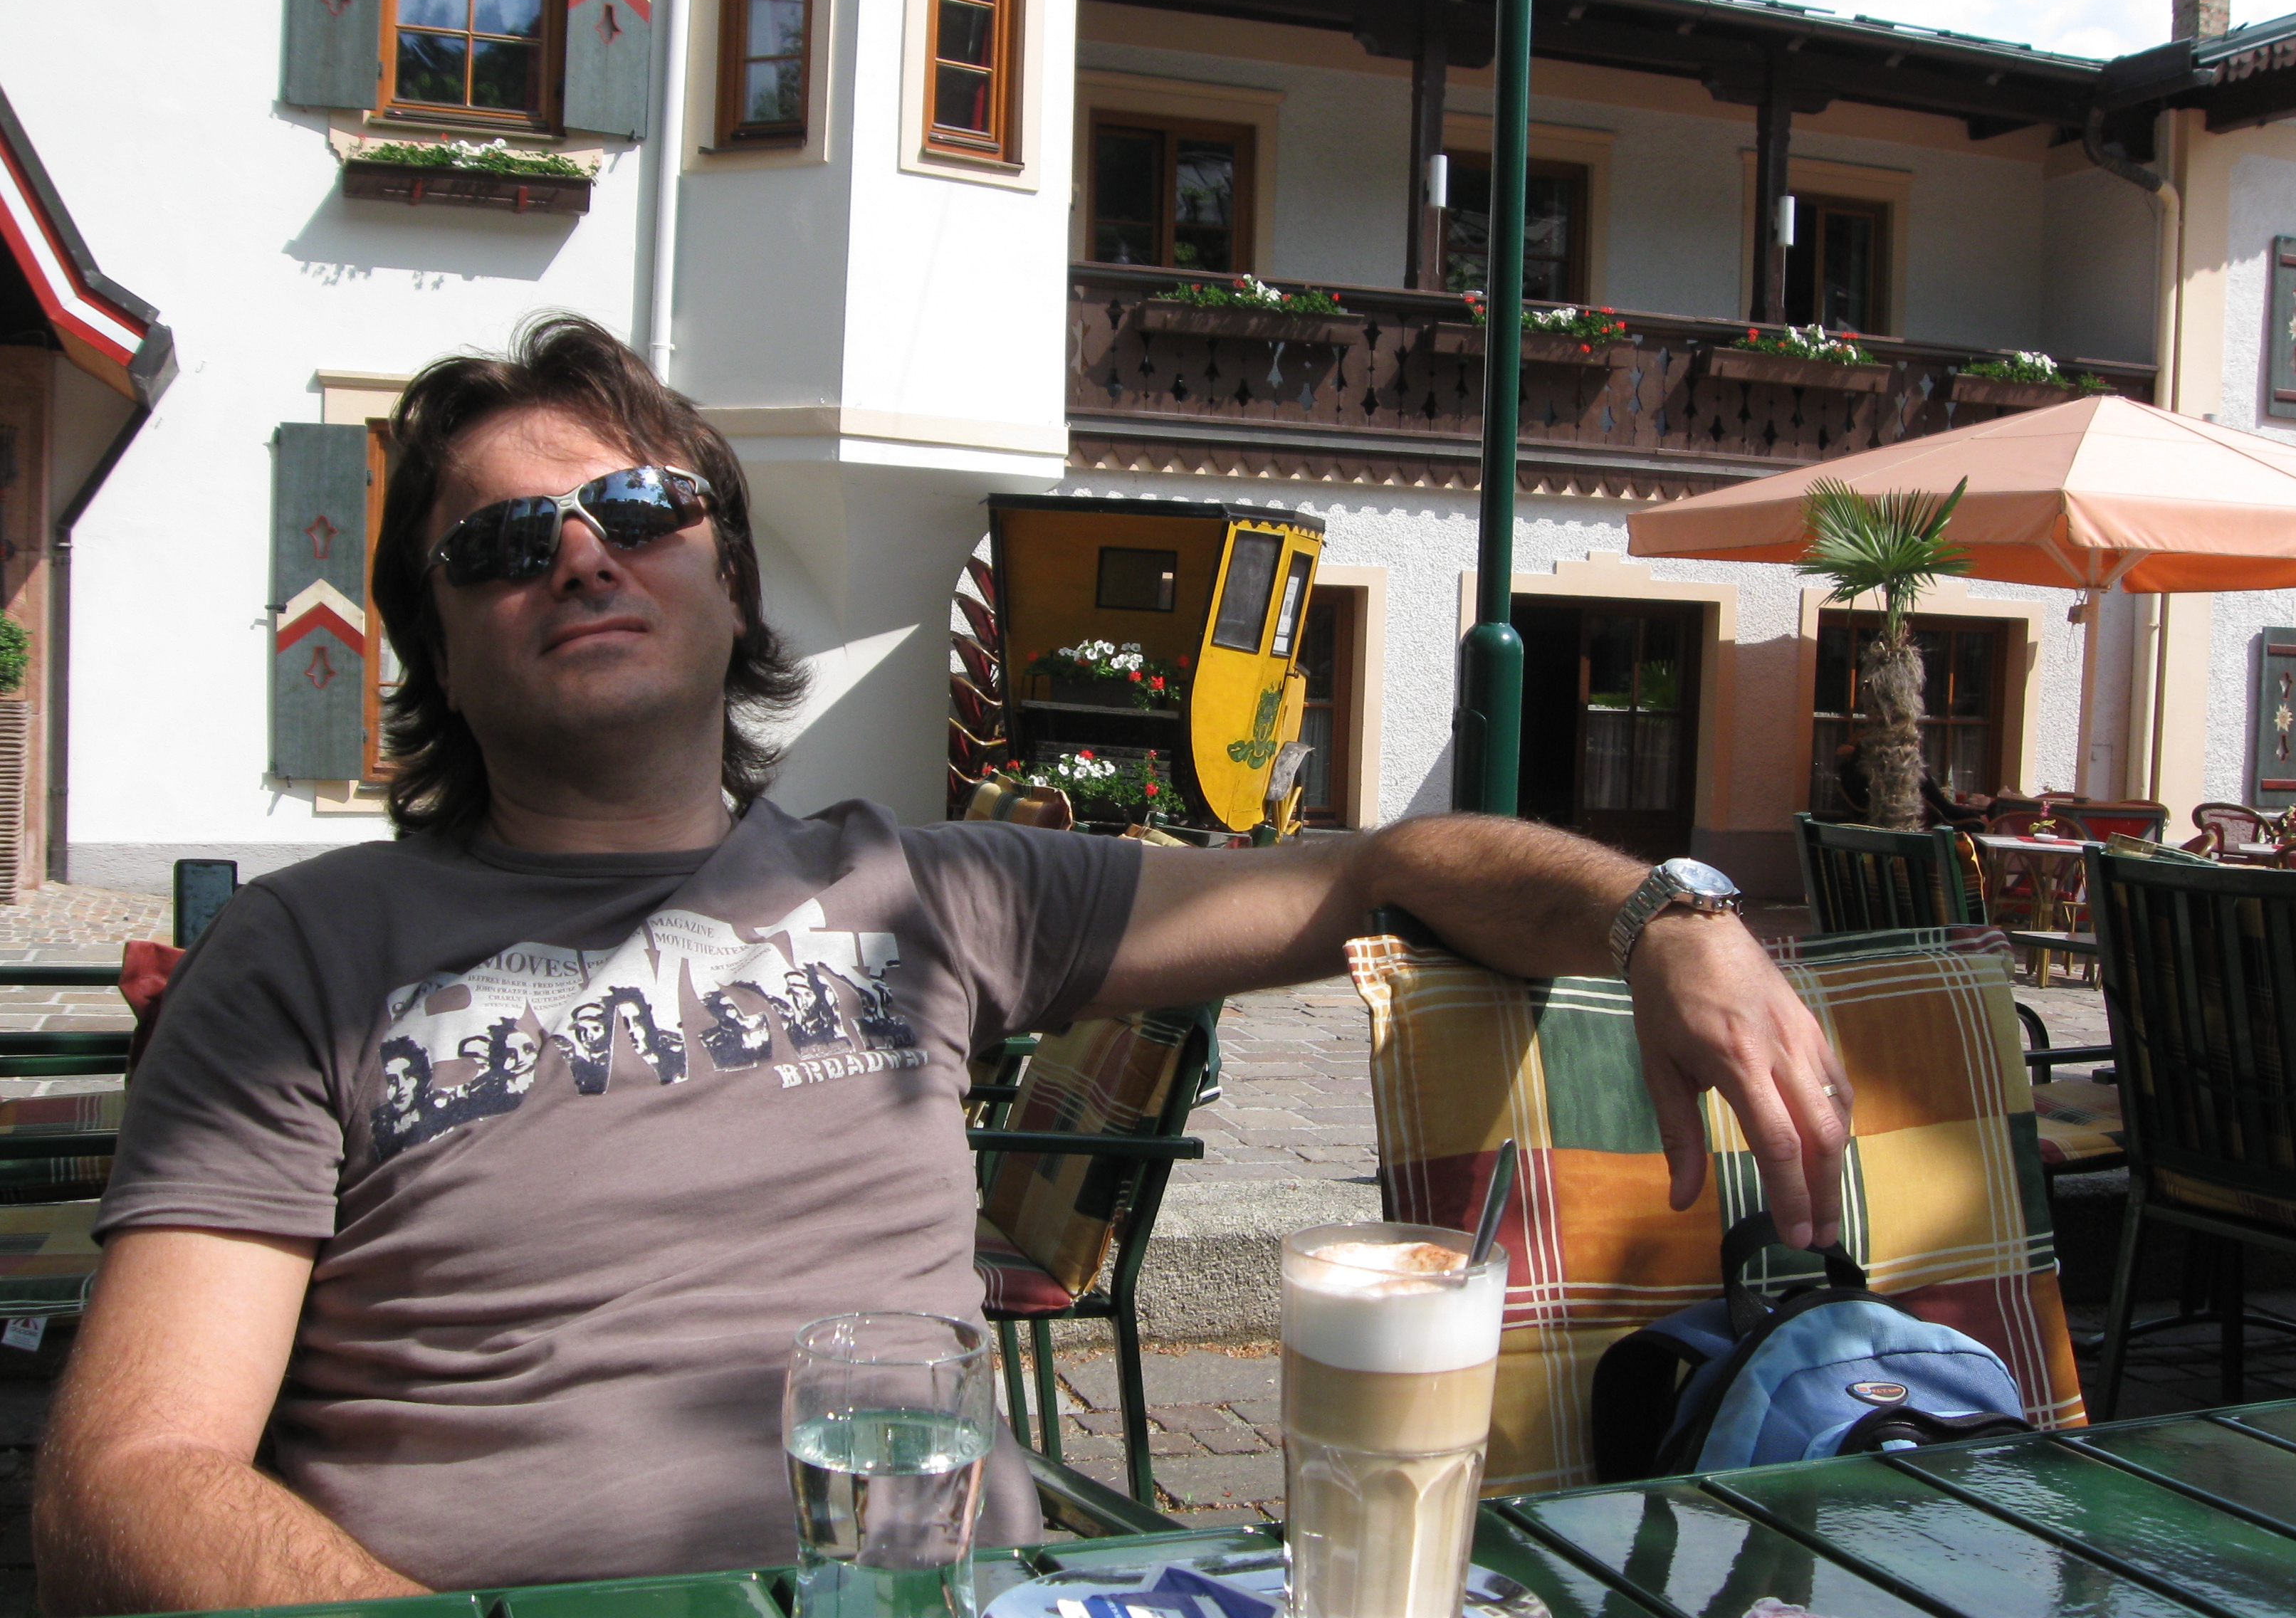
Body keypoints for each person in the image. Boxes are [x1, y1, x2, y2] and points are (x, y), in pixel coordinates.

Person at [33, 317, 1852, 1614]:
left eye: (640, 508)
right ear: (434, 642)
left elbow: (1379, 866)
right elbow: (128, 1478)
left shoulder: (930, 891)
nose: (581, 554)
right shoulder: (309, 955)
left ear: (732, 581)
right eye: (506, 542)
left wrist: (1669, 913)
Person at [1832, 739, 1986, 829]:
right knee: (1977, 827)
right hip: (1907, 832)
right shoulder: (1907, 772)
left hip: (1865, 829)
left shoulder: (1850, 773)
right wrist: (1978, 816)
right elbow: (1944, 808)